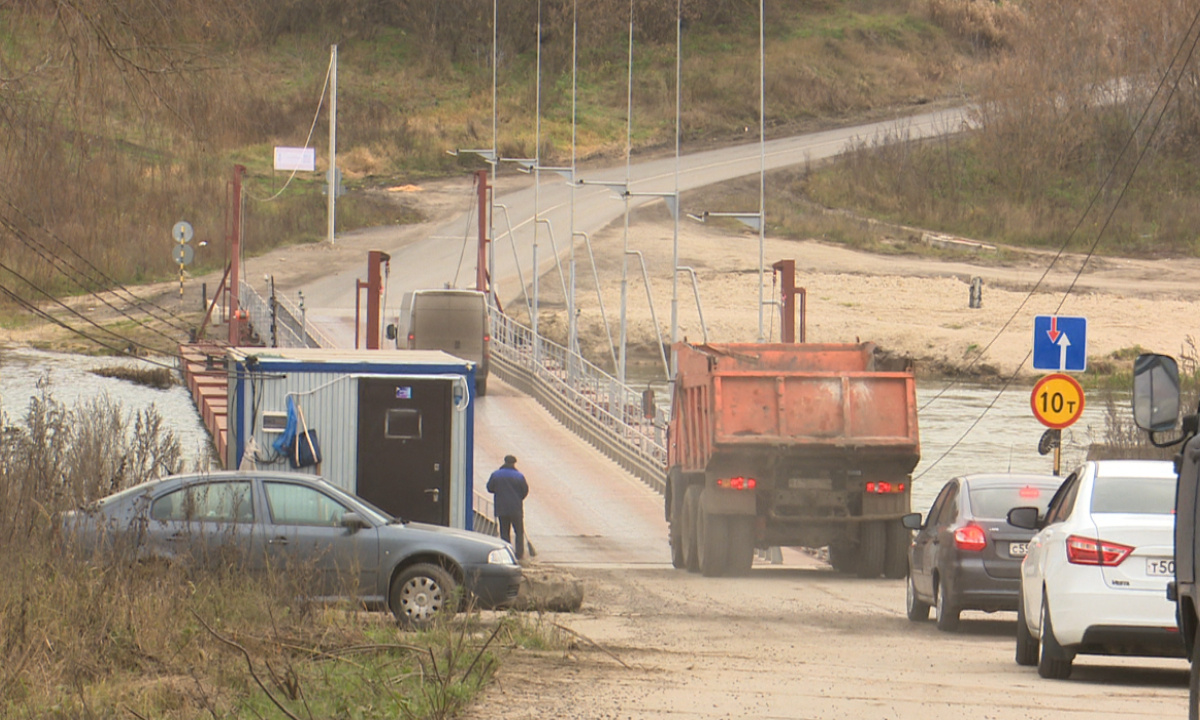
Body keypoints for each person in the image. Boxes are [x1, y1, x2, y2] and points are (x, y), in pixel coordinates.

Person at [487, 454, 529, 560]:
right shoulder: (519, 476)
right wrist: (518, 498)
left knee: (504, 532)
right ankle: (519, 555)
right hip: (516, 509)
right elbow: (525, 491)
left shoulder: (496, 475)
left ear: (504, 461)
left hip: (501, 508)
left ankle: (507, 554)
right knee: (519, 532)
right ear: (514, 463)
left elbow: (490, 488)